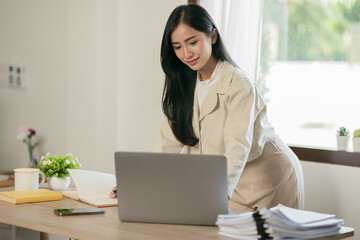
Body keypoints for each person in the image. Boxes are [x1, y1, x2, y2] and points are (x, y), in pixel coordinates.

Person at [111, 4, 304, 213]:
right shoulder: (184, 86)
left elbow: (237, 148)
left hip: (270, 179)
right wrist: (139, 184)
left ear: (212, 36)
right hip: (231, 185)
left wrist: (214, 195)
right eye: (177, 47)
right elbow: (167, 146)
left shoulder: (238, 84)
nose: (186, 53)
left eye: (192, 42)